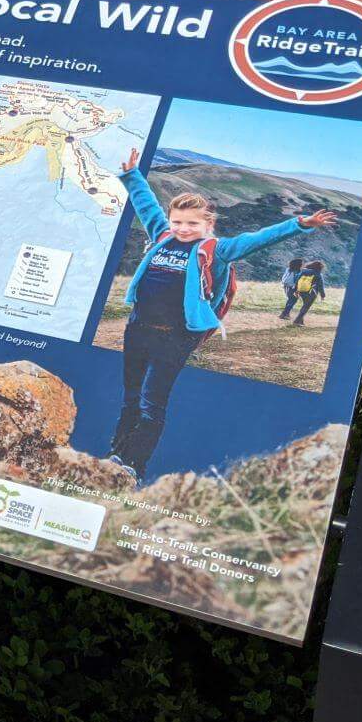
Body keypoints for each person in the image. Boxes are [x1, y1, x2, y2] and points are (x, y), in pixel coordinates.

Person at [109, 148, 338, 482]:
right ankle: (114, 454)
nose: (183, 229)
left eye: (192, 223)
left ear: (208, 224)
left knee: (151, 403)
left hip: (174, 337)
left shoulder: (217, 249)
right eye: (177, 222)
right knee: (130, 397)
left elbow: (258, 239)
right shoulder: (162, 235)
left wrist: (300, 224)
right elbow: (146, 205)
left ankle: (133, 465)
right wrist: (132, 176)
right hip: (138, 328)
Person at [287, 259, 328, 326]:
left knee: (304, 305)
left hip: (301, 291)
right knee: (306, 307)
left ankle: (300, 322)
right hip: (311, 293)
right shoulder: (318, 274)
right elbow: (321, 286)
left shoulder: (303, 271)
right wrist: (323, 295)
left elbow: (297, 280)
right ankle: (297, 321)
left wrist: (296, 290)